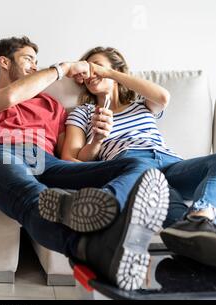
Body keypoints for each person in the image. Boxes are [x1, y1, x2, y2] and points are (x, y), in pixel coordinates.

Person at [0, 36, 168, 291]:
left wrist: (97, 142)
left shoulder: (52, 106)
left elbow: (69, 159)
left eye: (37, 62)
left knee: (138, 166)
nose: (35, 66)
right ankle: (91, 248)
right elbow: (11, 96)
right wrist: (63, 69)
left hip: (46, 161)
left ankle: (102, 206)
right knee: (35, 195)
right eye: (28, 59)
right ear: (4, 62)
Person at [61, 46, 216, 268]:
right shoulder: (84, 112)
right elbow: (71, 159)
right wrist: (96, 140)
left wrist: (110, 73)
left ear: (116, 71)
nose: (92, 73)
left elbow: (163, 96)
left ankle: (198, 218)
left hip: (172, 163)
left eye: (98, 66)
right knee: (153, 182)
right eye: (88, 70)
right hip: (131, 164)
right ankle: (193, 237)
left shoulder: (141, 105)